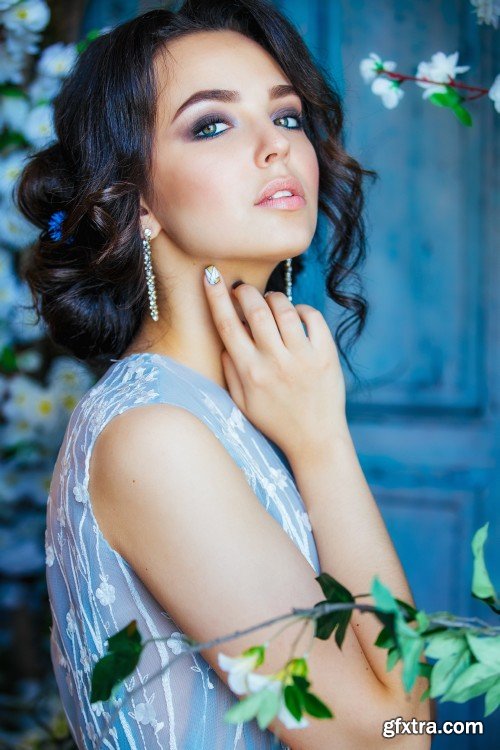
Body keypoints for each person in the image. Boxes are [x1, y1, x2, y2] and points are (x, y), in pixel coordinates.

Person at [15, 1, 432, 747]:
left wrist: (311, 434)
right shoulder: (154, 437)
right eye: (212, 123)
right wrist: (324, 446)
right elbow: (396, 736)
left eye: (288, 117)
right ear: (137, 200)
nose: (276, 147)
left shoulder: (238, 406)